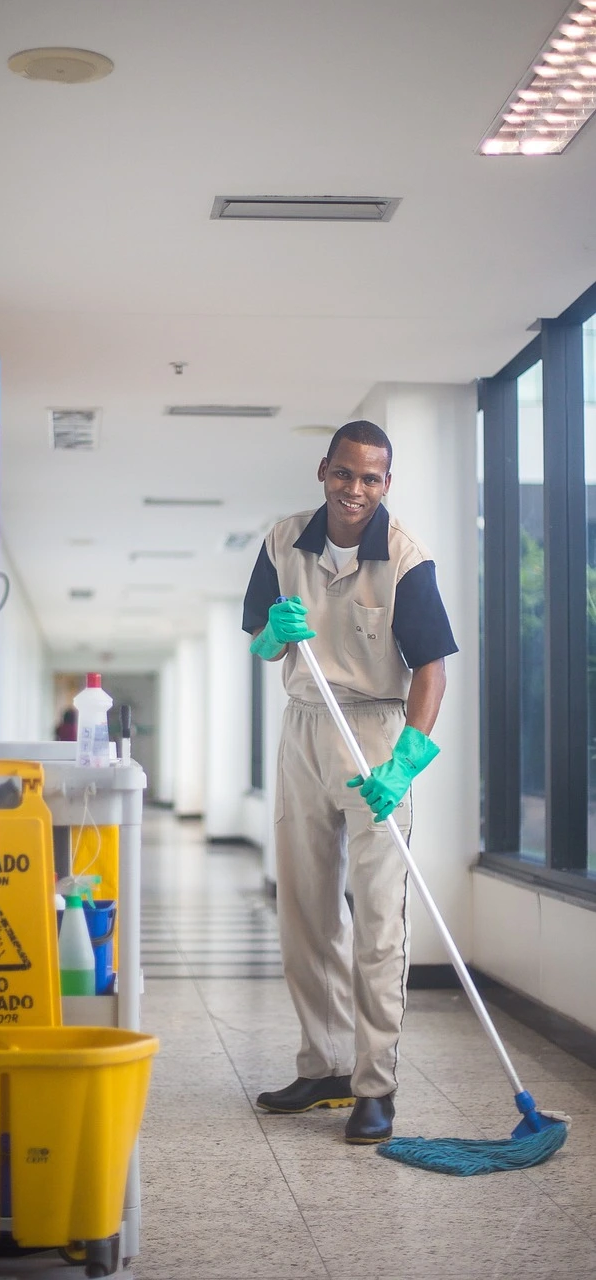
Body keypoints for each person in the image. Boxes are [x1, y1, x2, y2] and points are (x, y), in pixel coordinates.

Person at [242, 420, 457, 1144]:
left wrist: (405, 761)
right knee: (304, 911)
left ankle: (375, 1085)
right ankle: (326, 1064)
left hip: (373, 736)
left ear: (385, 484)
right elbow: (261, 643)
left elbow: (432, 669)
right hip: (303, 728)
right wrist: (274, 632)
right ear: (322, 470)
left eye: (370, 477)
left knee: (375, 919)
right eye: (344, 473)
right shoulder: (282, 541)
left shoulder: (404, 558)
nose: (355, 488)